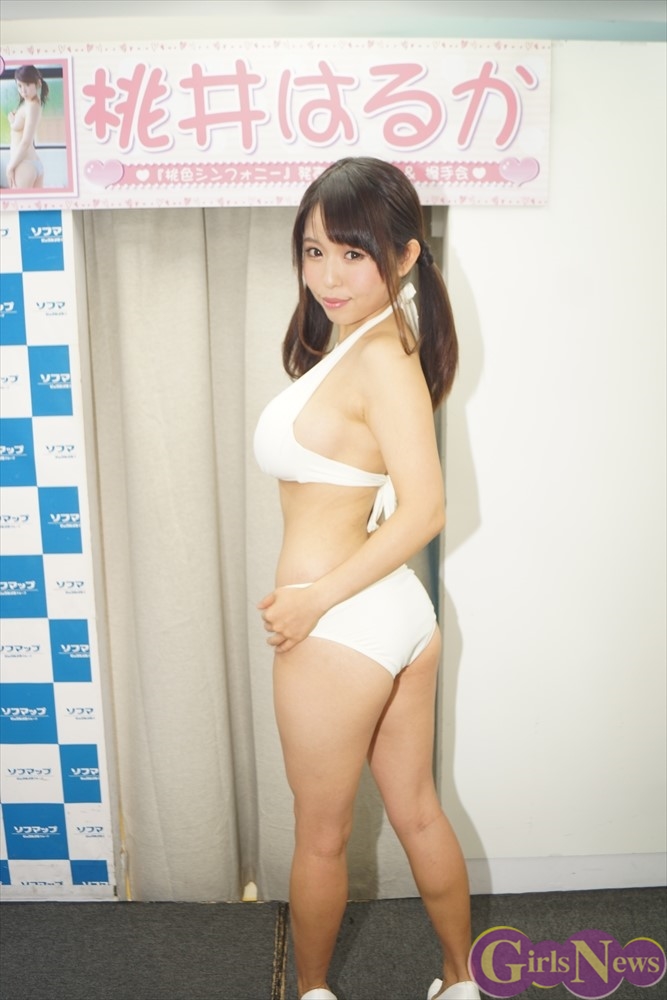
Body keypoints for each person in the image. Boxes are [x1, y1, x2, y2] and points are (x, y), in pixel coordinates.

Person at [254, 157, 480, 1000]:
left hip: (336, 625)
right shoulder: (370, 345)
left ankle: (311, 993)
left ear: (406, 255)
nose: (328, 275)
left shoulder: (380, 355)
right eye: (315, 251)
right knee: (416, 809)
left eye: (354, 254)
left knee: (320, 836)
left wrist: (313, 601)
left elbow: (426, 510)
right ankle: (461, 981)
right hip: (393, 616)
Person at [6, 65, 48, 189]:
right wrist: (13, 122)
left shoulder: (32, 106)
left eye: (28, 85)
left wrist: (10, 167)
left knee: (19, 201)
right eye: (19, 85)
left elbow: (26, 142)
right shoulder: (30, 103)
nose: (23, 91)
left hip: (24, 164)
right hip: (30, 163)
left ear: (38, 83)